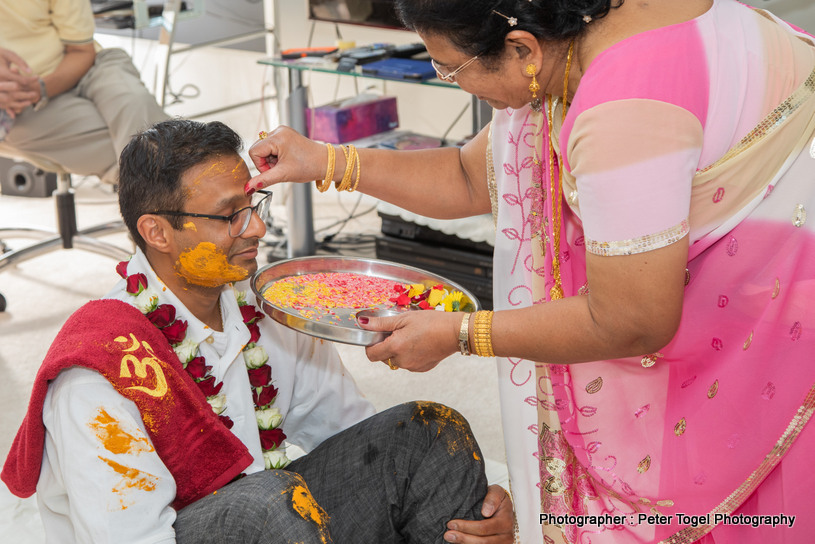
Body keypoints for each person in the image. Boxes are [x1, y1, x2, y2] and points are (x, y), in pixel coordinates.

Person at [244, 0, 815, 542]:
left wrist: (462, 335)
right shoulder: (591, 26)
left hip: (766, 338)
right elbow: (471, 178)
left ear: (521, 49)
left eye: (450, 69)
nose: (456, 83)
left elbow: (633, 317)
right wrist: (325, 161)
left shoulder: (624, 111)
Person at [1, 119, 514, 544]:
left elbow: (354, 440)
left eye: (254, 206)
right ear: (156, 232)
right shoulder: (98, 371)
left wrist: (457, 500)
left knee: (427, 434)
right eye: (230, 215)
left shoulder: (266, 309)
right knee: (269, 505)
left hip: (269, 519)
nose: (257, 229)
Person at [0, 0, 167, 182]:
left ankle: (163, 180)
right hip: (21, 106)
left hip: (91, 66)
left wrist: (41, 88)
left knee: (136, 104)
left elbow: (81, 51)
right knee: (148, 148)